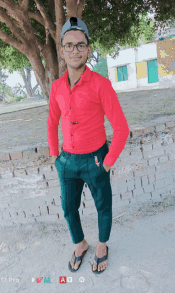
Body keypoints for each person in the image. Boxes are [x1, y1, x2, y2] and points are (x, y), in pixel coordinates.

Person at [47, 17, 130, 274]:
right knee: (68, 209)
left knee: (103, 206)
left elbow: (121, 128)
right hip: (68, 162)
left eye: (80, 45)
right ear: (61, 50)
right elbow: (51, 122)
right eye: (69, 45)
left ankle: (102, 246)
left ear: (88, 49)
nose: (75, 50)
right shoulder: (57, 87)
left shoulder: (100, 84)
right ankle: (81, 244)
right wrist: (54, 157)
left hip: (96, 160)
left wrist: (106, 164)